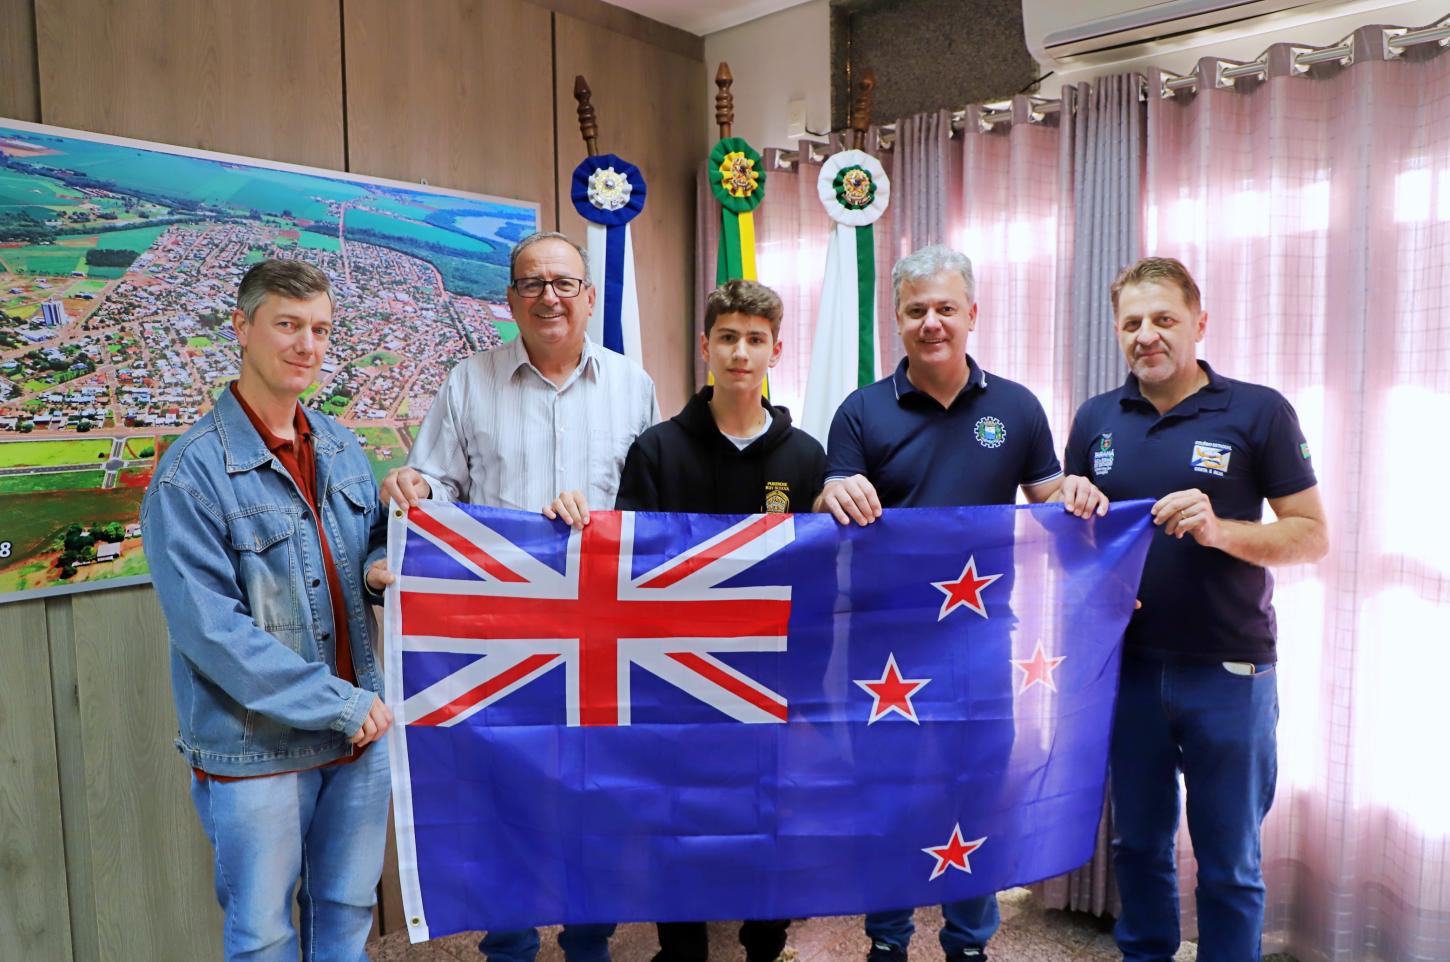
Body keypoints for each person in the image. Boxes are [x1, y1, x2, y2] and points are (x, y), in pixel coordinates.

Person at [814, 245, 1106, 962]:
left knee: (976, 796)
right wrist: (831, 495)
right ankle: (886, 942)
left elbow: (1048, 500)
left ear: (972, 314)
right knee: (885, 798)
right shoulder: (860, 411)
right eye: (916, 310)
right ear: (897, 320)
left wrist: (1074, 493)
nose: (932, 322)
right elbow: (831, 494)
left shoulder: (1014, 407)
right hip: (884, 647)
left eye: (946, 308)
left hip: (980, 645)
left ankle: (969, 944)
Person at [380, 231, 659, 962]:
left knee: (592, 800)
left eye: (564, 283)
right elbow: (434, 488)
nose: (549, 297)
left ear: (591, 297)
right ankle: (509, 947)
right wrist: (415, 488)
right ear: (509, 300)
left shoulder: (635, 386)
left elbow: (652, 510)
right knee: (505, 802)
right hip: (501, 638)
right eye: (532, 284)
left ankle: (590, 944)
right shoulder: (467, 382)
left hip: (600, 641)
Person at [1064, 257, 1328, 962]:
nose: (1147, 335)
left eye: (1163, 319)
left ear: (1198, 323)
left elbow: (1311, 536)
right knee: (1138, 846)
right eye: (1132, 323)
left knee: (1230, 861)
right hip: (1129, 671)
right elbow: (1074, 546)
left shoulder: (1258, 410)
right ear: (1118, 332)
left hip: (1230, 672)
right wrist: (1074, 514)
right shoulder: (1094, 419)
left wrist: (1220, 530)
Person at [141, 259, 396, 962]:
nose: (305, 345)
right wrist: (337, 703)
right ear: (242, 328)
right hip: (259, 747)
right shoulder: (190, 474)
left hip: (356, 739)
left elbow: (366, 543)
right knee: (263, 936)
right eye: (287, 325)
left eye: (319, 329)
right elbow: (211, 632)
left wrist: (377, 566)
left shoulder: (343, 445)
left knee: (345, 917)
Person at [615, 278, 824, 962]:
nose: (741, 352)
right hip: (676, 673)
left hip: (774, 673)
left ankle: (766, 942)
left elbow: (820, 576)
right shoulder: (656, 450)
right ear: (705, 347)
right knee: (677, 817)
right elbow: (627, 569)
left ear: (776, 352)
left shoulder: (805, 458)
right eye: (728, 338)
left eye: (755, 340)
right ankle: (683, 948)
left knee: (772, 814)